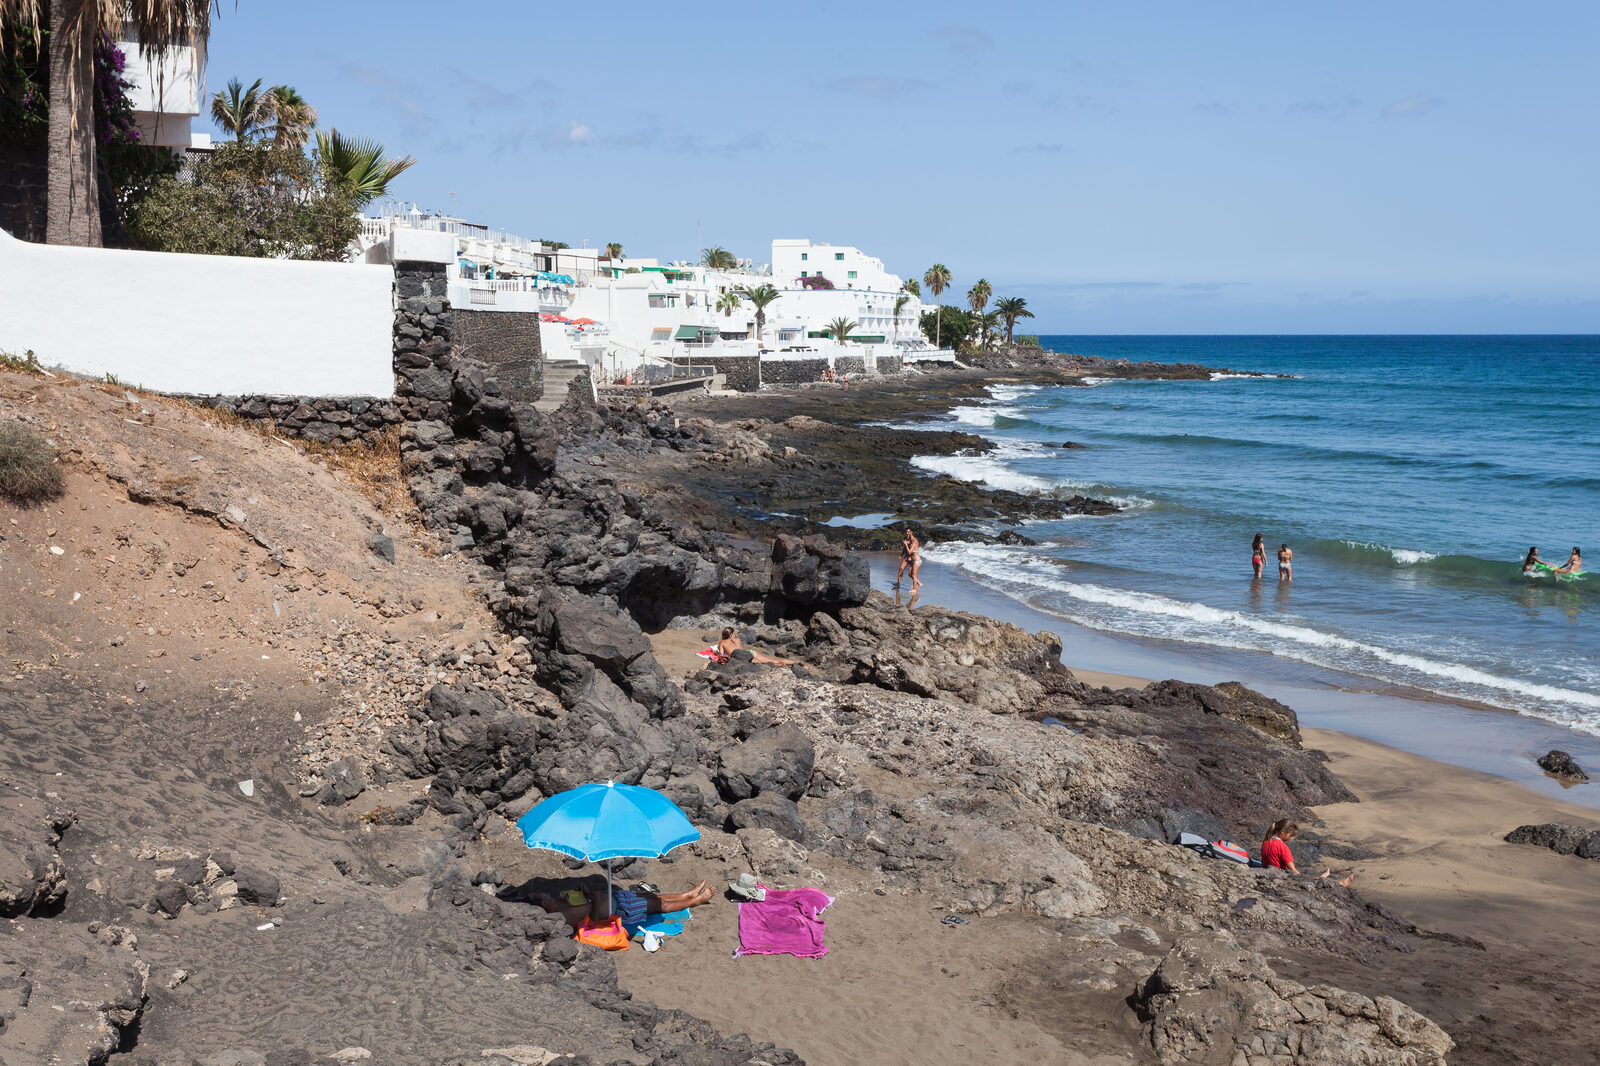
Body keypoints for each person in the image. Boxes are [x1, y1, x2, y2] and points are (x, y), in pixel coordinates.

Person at [527, 880, 714, 931]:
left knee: (651, 896)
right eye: (539, 894)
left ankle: (685, 895)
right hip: (619, 910)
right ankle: (695, 901)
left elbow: (584, 899)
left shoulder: (559, 898)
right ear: (543, 903)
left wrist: (582, 889)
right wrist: (597, 900)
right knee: (658, 904)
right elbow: (591, 924)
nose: (543, 892)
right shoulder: (564, 916)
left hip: (615, 897)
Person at [1261, 819, 1354, 885]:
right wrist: (1301, 876)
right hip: (1281, 876)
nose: (1291, 838)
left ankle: (1323, 877)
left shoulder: (1265, 842)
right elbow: (1293, 870)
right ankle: (1339, 883)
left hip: (1268, 873)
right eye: (1291, 835)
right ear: (1283, 832)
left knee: (1310, 878)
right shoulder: (1282, 847)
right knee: (1311, 881)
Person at [717, 627, 795, 666]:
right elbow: (740, 649)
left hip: (743, 657)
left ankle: (779, 665)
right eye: (733, 634)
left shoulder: (722, 642)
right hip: (750, 653)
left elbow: (721, 654)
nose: (734, 635)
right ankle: (795, 663)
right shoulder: (737, 639)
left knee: (769, 664)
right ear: (731, 634)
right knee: (773, 660)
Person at [894, 525, 923, 590]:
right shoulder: (906, 539)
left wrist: (907, 546)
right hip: (907, 557)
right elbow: (904, 549)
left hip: (913, 559)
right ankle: (898, 583)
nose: (906, 533)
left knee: (911, 574)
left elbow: (914, 550)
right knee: (901, 569)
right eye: (906, 532)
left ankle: (918, 583)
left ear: (911, 532)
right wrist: (901, 555)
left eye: (908, 532)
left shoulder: (915, 541)